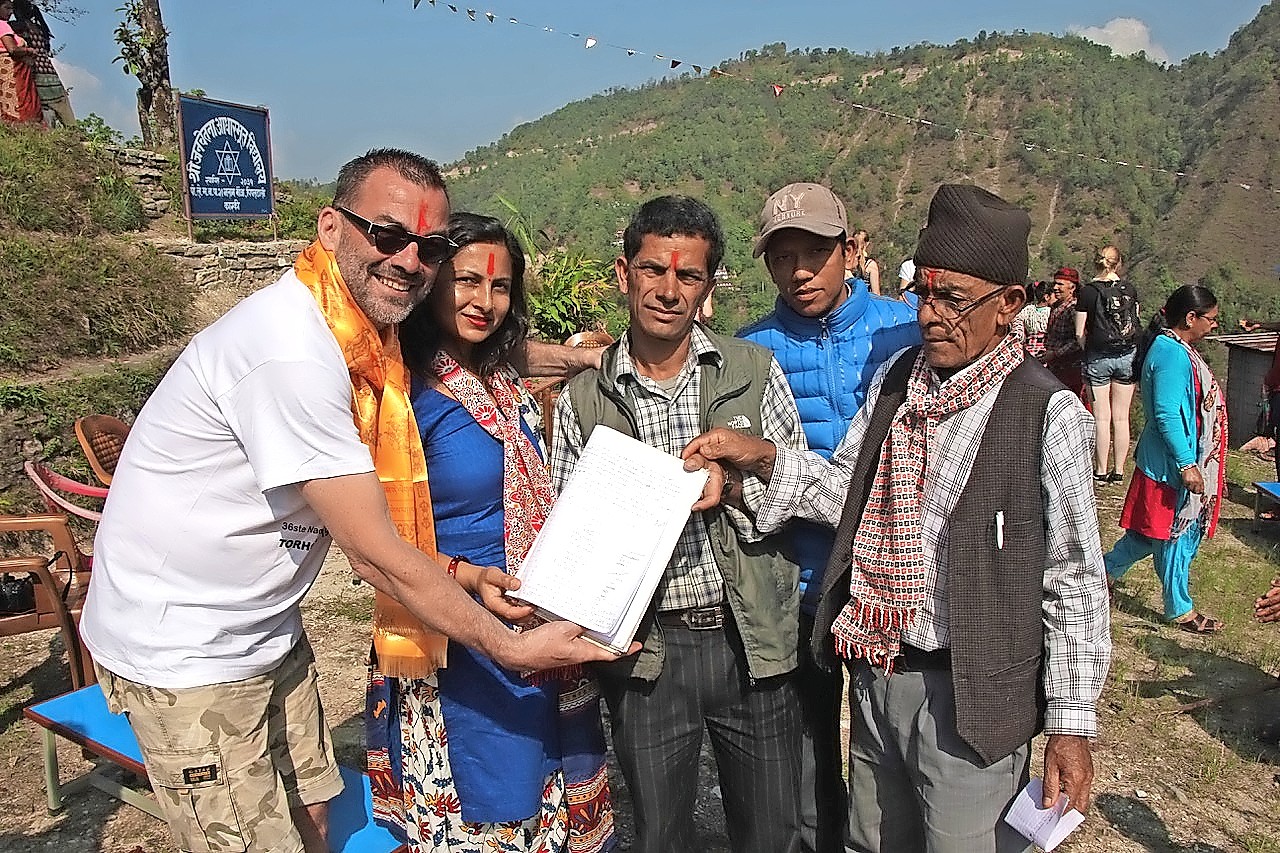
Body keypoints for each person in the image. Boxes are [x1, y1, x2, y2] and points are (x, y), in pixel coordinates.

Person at [79, 149, 626, 853]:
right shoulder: (294, 353)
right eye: (387, 235)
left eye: (427, 247)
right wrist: (512, 649)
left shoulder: (367, 339)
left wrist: (585, 357)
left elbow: (492, 352)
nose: (407, 260)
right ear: (331, 228)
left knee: (315, 815)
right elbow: (376, 553)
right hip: (189, 647)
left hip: (264, 628)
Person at [685, 183, 1111, 853]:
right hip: (882, 675)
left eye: (953, 298)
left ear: (1009, 306)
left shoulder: (1046, 415)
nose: (932, 315)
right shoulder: (897, 379)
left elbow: (1075, 580)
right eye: (925, 294)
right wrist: (760, 463)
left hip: (973, 700)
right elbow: (844, 494)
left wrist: (1071, 723)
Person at [551, 195, 807, 853]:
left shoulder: (752, 371)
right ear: (623, 273)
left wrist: (736, 487)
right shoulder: (585, 399)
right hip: (650, 654)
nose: (668, 290)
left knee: (770, 830)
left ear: (708, 286)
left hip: (749, 637)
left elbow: (800, 489)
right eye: (652, 269)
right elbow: (570, 528)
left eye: (688, 275)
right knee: (661, 833)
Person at [366, 213, 616, 852]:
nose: (485, 301)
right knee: (486, 809)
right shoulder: (401, 391)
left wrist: (589, 356)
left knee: (547, 797)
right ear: (432, 282)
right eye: (467, 281)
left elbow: (525, 351)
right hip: (458, 631)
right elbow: (381, 542)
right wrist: (467, 579)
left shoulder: (499, 380)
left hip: (535, 612)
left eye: (501, 286)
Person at [738, 181, 919, 853]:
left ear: (851, 249)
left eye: (816, 251)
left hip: (884, 584)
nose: (800, 271)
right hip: (799, 580)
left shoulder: (903, 333)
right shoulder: (751, 352)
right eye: (782, 257)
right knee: (810, 744)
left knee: (885, 746)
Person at [1104, 285, 1226, 634]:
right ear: (1191, 318)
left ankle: (1101, 574)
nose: (1214, 326)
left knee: (1147, 533)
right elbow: (1168, 413)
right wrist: (1188, 464)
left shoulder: (1172, 347)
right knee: (1175, 535)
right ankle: (1180, 608)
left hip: (1164, 461)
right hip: (1171, 466)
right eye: (1211, 320)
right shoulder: (1172, 354)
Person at [1076, 245, 1140, 484]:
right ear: (1118, 263)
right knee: (1121, 418)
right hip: (1127, 355)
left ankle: (1100, 470)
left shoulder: (1088, 292)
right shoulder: (1129, 289)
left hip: (1098, 356)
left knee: (1102, 418)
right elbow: (1135, 321)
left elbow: (1079, 332)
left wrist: (1090, 349)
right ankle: (1119, 470)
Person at [11, 0, 72, 126]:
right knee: (62, 105)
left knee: (40, 107)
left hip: (35, 72)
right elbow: (47, 49)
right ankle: (74, 132)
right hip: (50, 72)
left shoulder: (17, 27)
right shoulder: (40, 29)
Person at [1041, 267, 1088, 407]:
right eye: (1055, 284)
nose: (1055, 288)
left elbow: (1079, 339)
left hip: (1071, 370)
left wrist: (1055, 353)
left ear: (1072, 287)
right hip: (1057, 368)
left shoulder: (1073, 309)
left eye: (1060, 284)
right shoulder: (1058, 307)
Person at [0, 0, 42, 125]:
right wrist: (29, 50)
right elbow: (12, 49)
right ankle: (24, 130)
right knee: (19, 101)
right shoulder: (3, 25)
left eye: (11, 8)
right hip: (12, 70)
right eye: (7, 8)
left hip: (9, 69)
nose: (10, 12)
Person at [849, 228, 881, 295]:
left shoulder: (847, 263)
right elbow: (876, 293)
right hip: (865, 302)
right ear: (867, 244)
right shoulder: (870, 265)